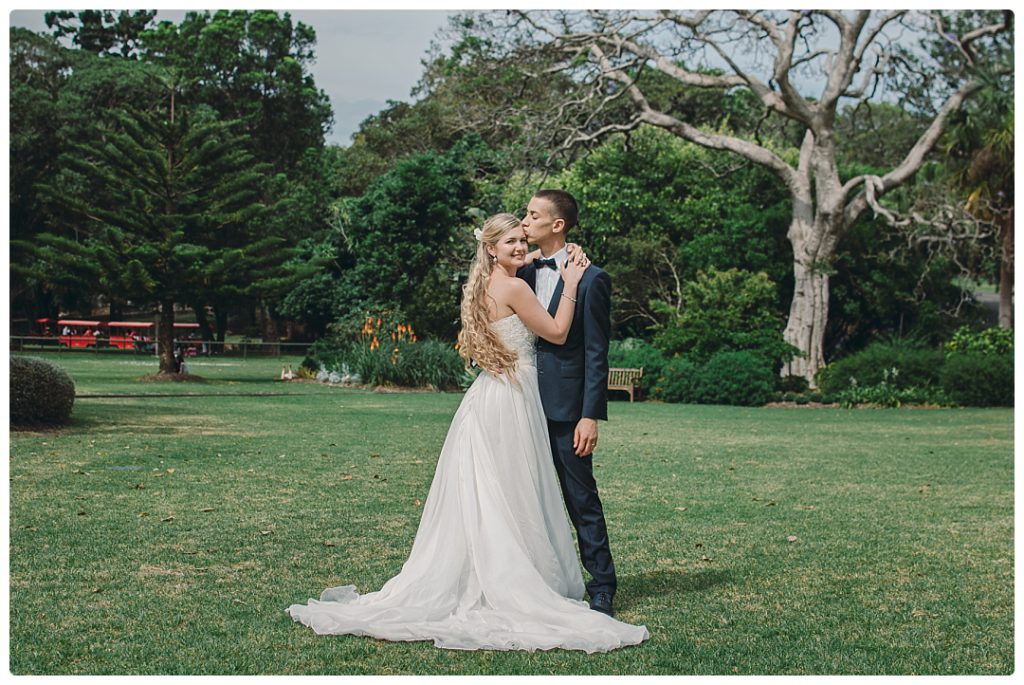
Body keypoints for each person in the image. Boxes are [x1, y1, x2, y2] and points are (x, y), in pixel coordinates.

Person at [286, 213, 649, 652]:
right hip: (513, 398)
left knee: (489, 493)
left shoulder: (483, 283)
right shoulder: (515, 286)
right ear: (492, 248)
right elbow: (555, 331)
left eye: (524, 239)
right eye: (512, 241)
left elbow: (520, 267)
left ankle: (487, 573)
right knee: (512, 493)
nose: (521, 247)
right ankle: (512, 581)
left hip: (487, 397)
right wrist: (570, 281)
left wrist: (540, 254)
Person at [518, 189, 618, 617]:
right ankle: (530, 583)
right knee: (521, 496)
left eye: (533, 215)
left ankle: (602, 585)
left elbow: (597, 352)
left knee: (581, 498)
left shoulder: (592, 278)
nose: (525, 221)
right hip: (516, 402)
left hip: (566, 410)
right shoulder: (518, 271)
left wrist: (589, 415)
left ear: (557, 225)